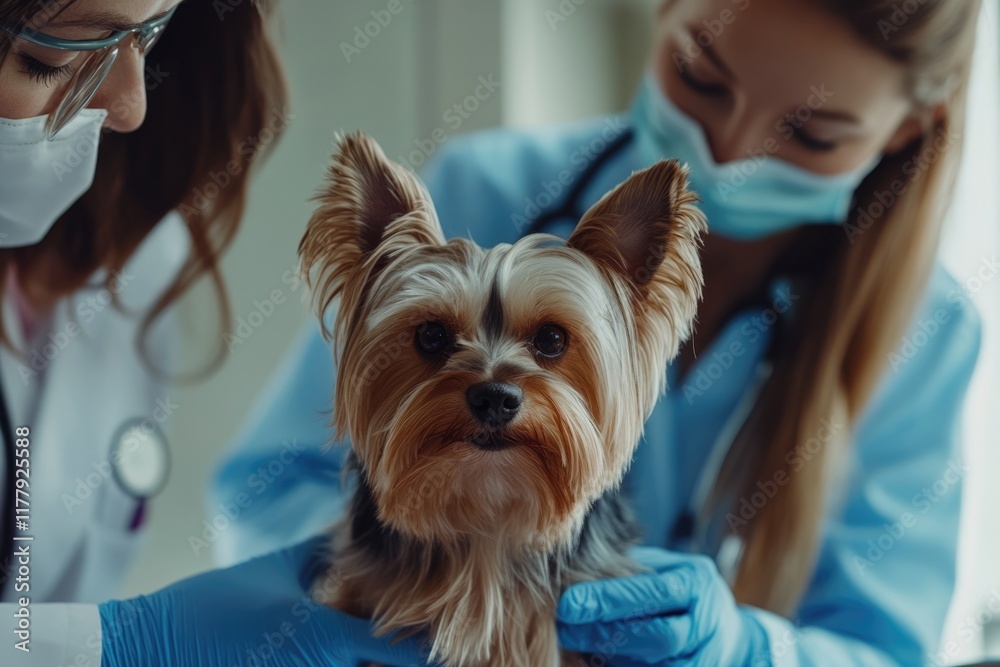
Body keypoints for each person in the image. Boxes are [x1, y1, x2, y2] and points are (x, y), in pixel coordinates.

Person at [212, 0, 985, 664]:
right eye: (702, 76)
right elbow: (266, 489)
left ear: (906, 129)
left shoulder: (931, 335)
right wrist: (398, 581)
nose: (728, 149)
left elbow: (883, 647)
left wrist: (746, 650)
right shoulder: (480, 186)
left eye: (811, 133)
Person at [0, 1, 428, 664]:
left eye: (150, 34)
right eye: (52, 56)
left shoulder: (135, 253)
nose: (132, 107)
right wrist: (123, 644)